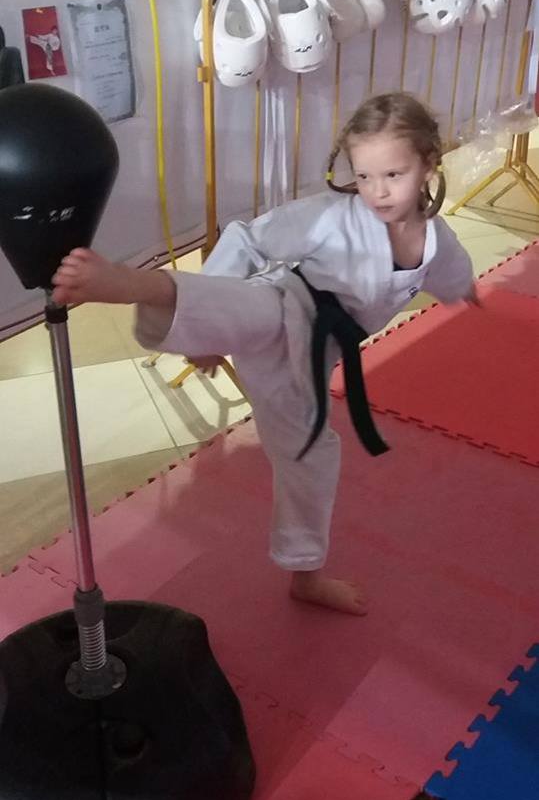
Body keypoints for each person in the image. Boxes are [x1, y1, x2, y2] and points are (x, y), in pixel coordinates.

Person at [51, 92, 477, 616]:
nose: (378, 191)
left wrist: (469, 294)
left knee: (312, 456)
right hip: (283, 303)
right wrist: (210, 336)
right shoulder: (331, 216)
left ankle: (306, 575)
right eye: (364, 176)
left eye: (393, 174)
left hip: (306, 362)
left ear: (430, 163)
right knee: (266, 311)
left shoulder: (436, 241)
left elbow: (455, 276)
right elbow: (249, 239)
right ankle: (144, 286)